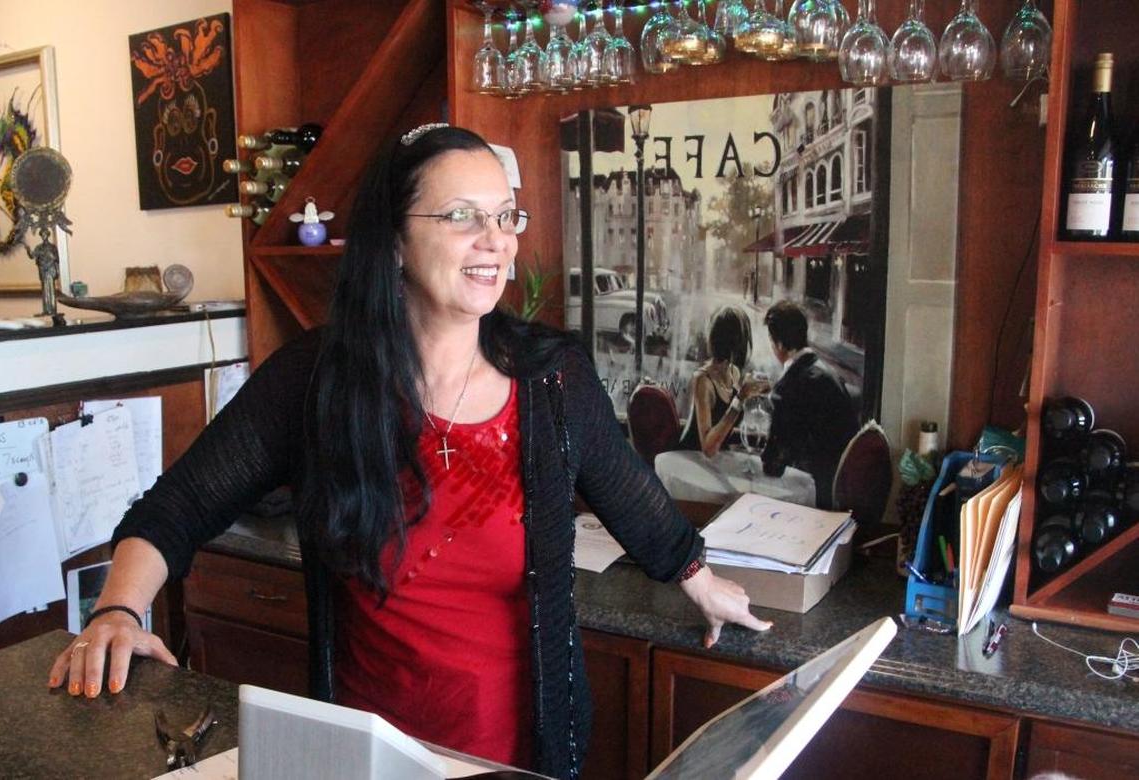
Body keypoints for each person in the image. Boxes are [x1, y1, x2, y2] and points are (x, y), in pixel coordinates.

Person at [47, 125, 770, 779]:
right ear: (394, 239)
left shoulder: (551, 377)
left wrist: (701, 580)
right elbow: (175, 508)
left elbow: (628, 494)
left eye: (504, 215)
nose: (495, 238)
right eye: (462, 217)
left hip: (522, 756)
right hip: (366, 760)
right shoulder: (317, 380)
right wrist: (120, 613)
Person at [760, 300, 859, 510]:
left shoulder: (787, 389)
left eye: (771, 341)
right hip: (842, 490)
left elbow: (773, 465)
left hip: (813, 498)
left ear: (778, 344)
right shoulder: (827, 373)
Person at [678, 305, 767, 458]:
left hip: (718, 458)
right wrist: (740, 398)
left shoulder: (735, 373)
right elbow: (707, 447)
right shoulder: (703, 380)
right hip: (692, 458)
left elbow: (727, 426)